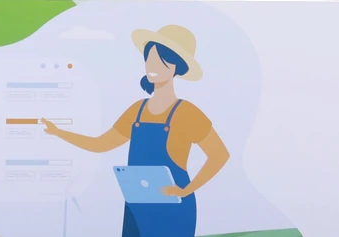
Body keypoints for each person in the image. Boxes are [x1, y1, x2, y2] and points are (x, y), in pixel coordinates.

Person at [41, 25, 230, 236]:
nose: (152, 65)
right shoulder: (137, 110)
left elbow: (220, 155)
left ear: (177, 67)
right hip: (136, 206)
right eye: (149, 58)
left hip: (173, 208)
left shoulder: (187, 112)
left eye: (160, 60)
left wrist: (187, 190)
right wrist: (59, 132)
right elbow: (100, 144)